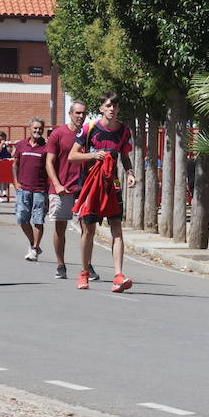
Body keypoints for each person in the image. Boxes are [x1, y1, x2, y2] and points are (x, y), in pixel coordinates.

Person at [68, 93, 137, 292]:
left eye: (115, 106)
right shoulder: (89, 129)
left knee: (116, 226)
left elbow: (124, 156)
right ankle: (83, 273)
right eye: (108, 105)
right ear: (101, 108)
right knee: (88, 230)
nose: (112, 109)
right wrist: (93, 155)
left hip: (112, 183)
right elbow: (72, 156)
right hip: (91, 184)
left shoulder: (124, 131)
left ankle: (118, 275)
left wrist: (130, 173)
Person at [44, 101, 90, 280]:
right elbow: (49, 162)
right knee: (60, 227)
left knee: (87, 227)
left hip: (84, 187)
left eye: (83, 113)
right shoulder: (58, 134)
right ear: (70, 114)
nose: (80, 116)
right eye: (77, 113)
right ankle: (60, 264)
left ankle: (87, 266)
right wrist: (56, 184)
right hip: (62, 188)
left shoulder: (88, 134)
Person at [11, 117, 49, 261]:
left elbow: (51, 166)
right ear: (30, 128)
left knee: (38, 220)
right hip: (23, 189)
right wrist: (15, 183)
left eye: (40, 128)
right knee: (22, 218)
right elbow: (15, 165)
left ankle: (34, 249)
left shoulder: (47, 147)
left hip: (40, 190)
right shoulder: (21, 145)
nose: (38, 131)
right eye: (35, 128)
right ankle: (33, 244)